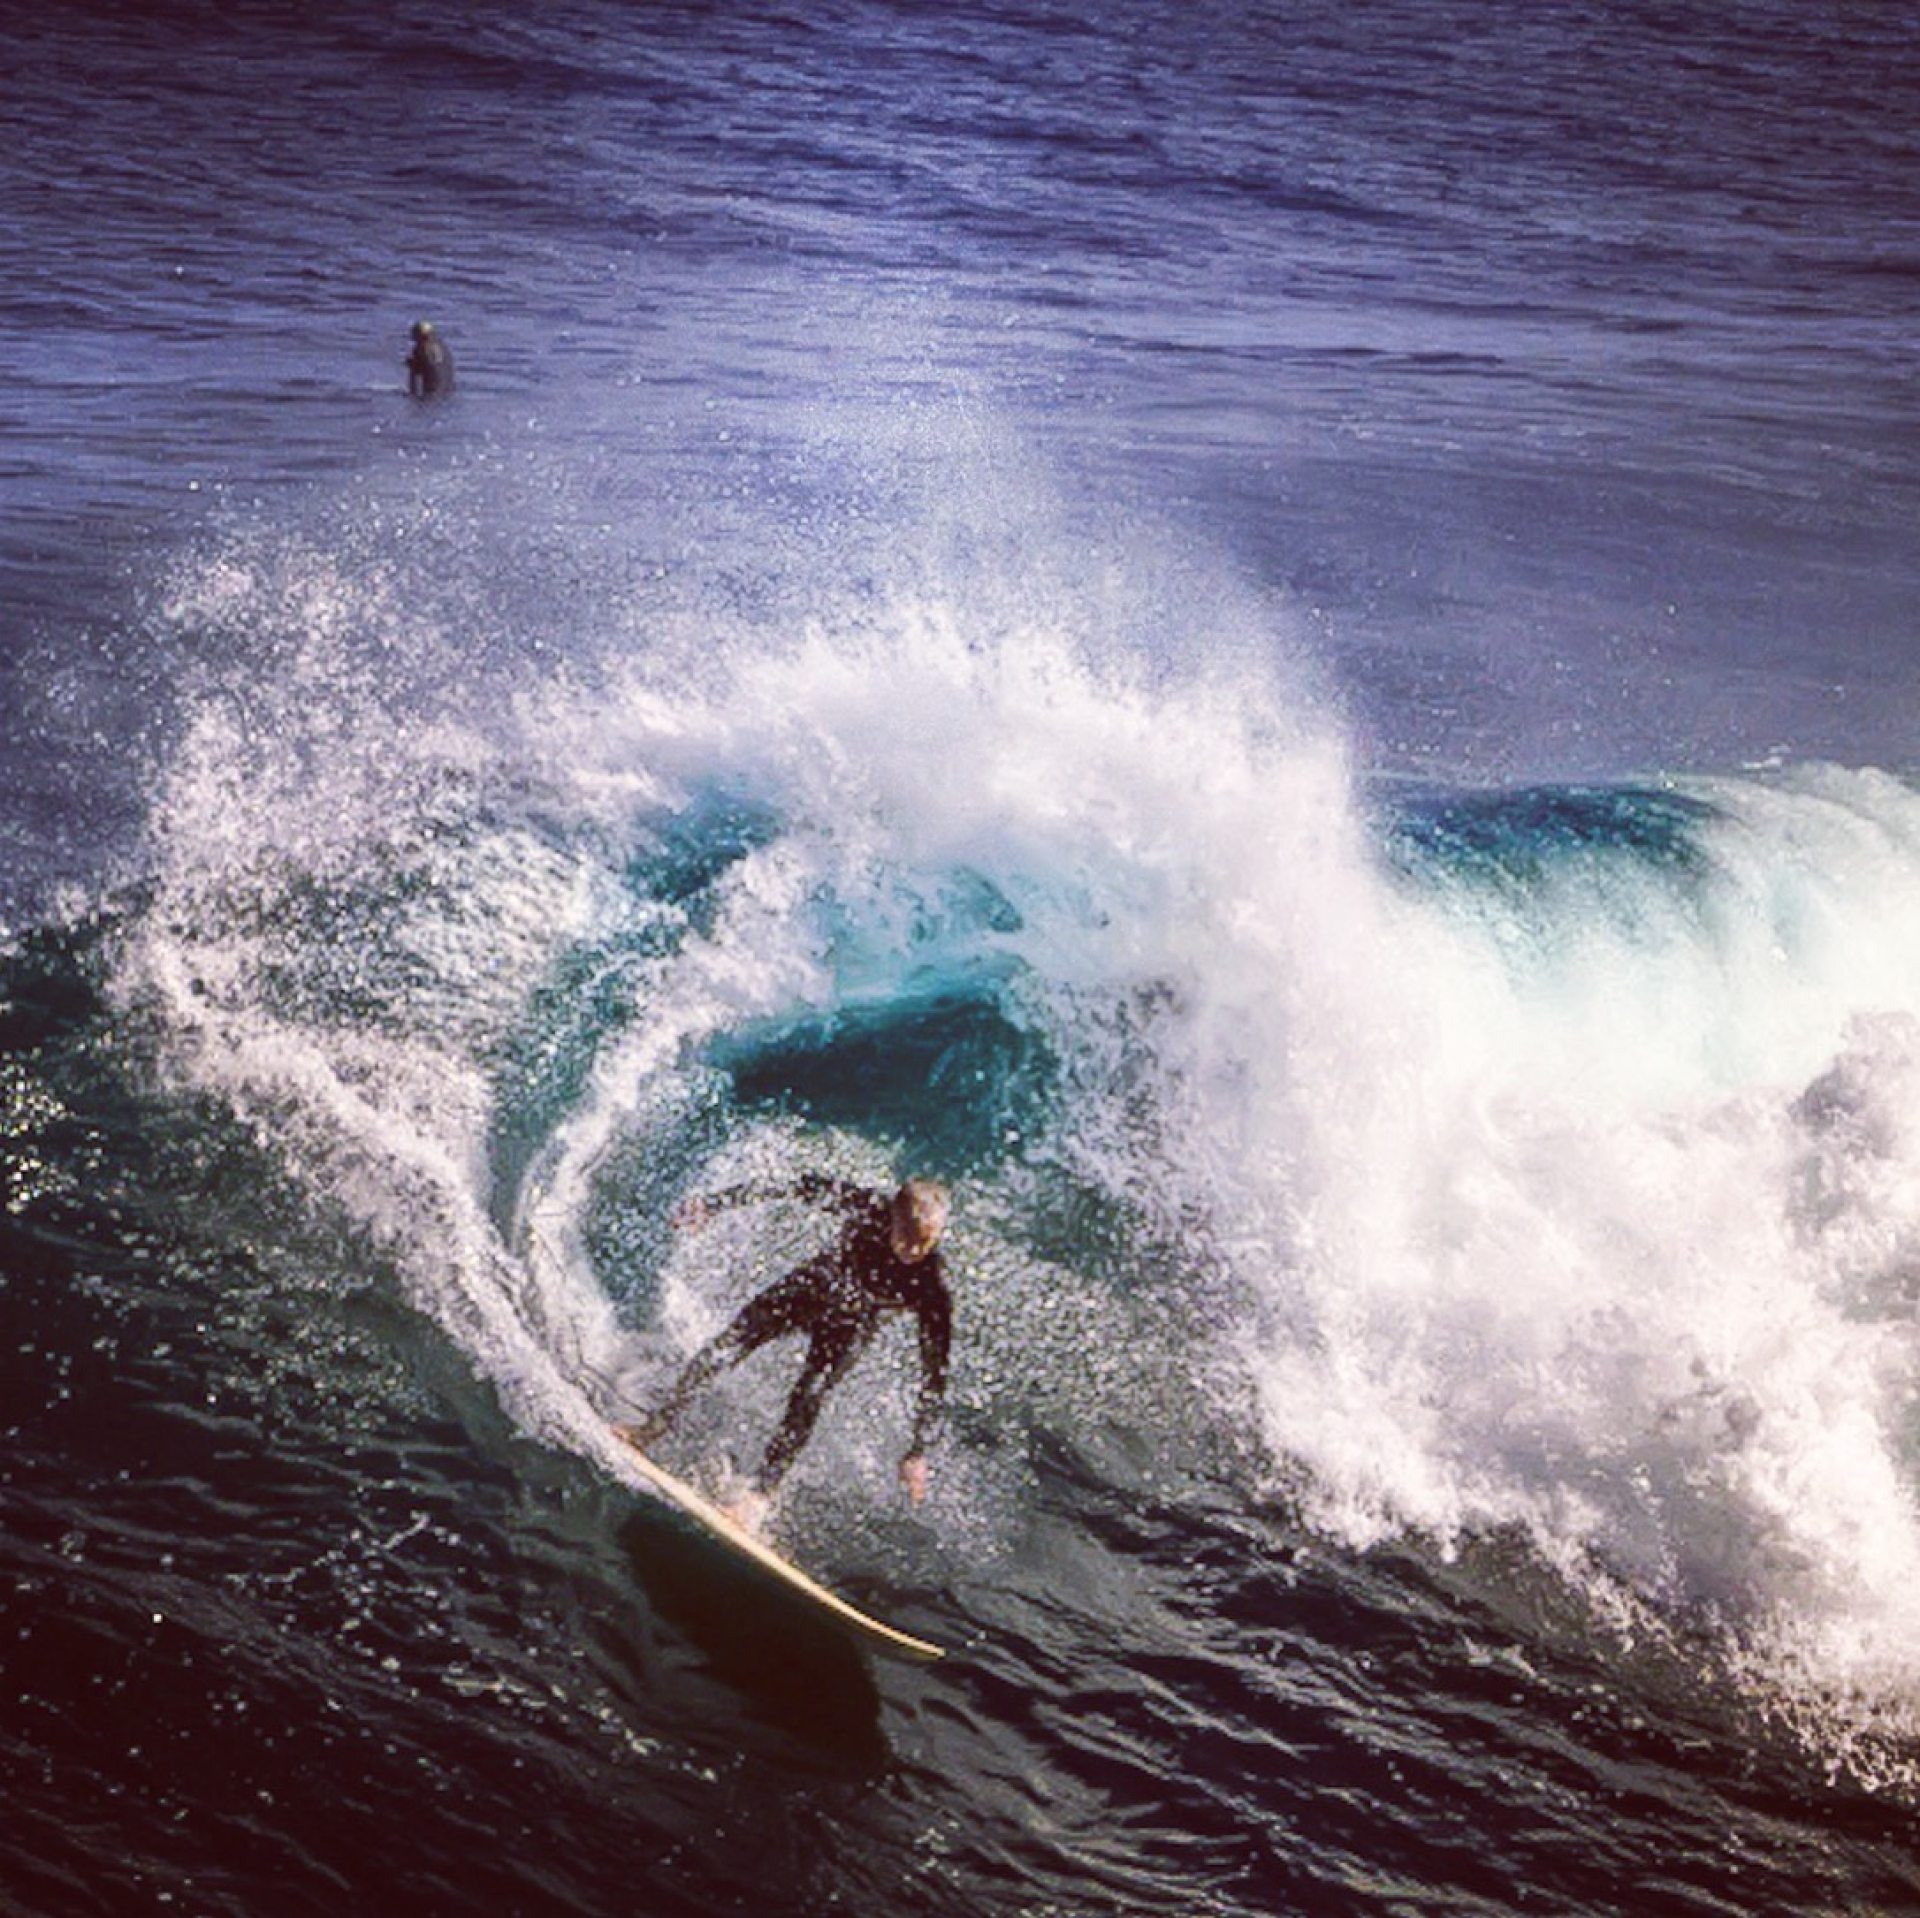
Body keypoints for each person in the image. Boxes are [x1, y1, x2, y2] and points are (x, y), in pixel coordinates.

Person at [616, 1173, 953, 1523]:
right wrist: (713, 1205)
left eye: (923, 1244)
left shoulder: (931, 1286)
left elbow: (935, 1373)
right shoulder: (870, 1207)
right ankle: (652, 1428)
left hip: (851, 1326)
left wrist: (918, 1450)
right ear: (893, 1215)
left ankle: (757, 1500)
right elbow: (796, 1186)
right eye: (906, 1239)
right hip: (812, 1287)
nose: (912, 1253)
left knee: (809, 1398)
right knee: (721, 1351)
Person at [405, 319, 454, 398]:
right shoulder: (442, 346)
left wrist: (412, 364)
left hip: (431, 392)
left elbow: (417, 374)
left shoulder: (422, 348)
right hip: (447, 390)